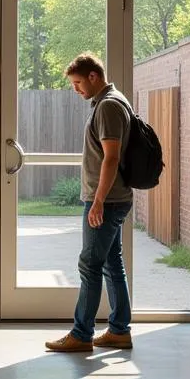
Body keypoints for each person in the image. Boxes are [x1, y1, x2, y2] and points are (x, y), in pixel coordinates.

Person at [46, 52, 134, 353]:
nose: (76, 89)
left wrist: (97, 202)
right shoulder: (109, 101)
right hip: (112, 199)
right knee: (111, 263)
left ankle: (81, 334)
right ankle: (119, 331)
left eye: (78, 83)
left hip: (107, 201)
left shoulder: (109, 105)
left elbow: (111, 157)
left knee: (90, 264)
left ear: (94, 77)